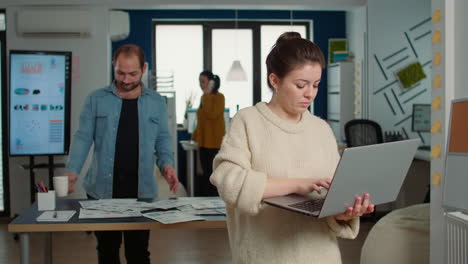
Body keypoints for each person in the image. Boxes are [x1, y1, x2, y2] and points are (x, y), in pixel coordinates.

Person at [210, 32, 375, 263]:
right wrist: (296, 184)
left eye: (316, 85)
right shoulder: (247, 121)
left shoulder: (321, 130)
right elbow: (229, 182)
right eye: (300, 85)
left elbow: (331, 195)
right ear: (274, 81)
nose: (310, 93)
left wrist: (344, 212)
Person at [65, 44, 178, 264]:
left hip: (141, 190)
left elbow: (163, 138)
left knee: (138, 253)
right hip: (101, 190)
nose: (126, 80)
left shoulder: (156, 102)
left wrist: (167, 164)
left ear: (144, 69)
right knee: (107, 250)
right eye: (120, 73)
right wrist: (72, 171)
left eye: (132, 73)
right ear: (113, 67)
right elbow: (82, 137)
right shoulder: (96, 99)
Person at [192, 70, 225, 196]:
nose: (201, 84)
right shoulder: (203, 97)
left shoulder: (219, 97)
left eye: (203, 82)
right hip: (204, 142)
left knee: (214, 175)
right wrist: (194, 136)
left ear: (212, 82)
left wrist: (206, 95)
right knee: (206, 174)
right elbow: (202, 119)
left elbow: (212, 114)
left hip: (215, 143)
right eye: (199, 81)